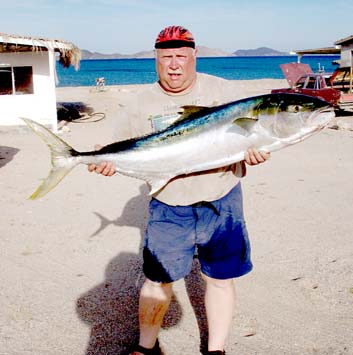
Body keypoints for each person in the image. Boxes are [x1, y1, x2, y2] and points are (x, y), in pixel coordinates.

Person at [88, 25, 270, 355]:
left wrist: (256, 151)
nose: (174, 65)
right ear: (156, 59)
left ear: (194, 56)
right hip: (168, 203)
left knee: (220, 278)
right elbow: (116, 147)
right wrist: (103, 158)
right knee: (158, 279)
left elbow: (253, 137)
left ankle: (216, 349)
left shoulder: (224, 91)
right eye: (166, 57)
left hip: (222, 198)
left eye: (181, 57)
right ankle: (146, 347)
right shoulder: (139, 102)